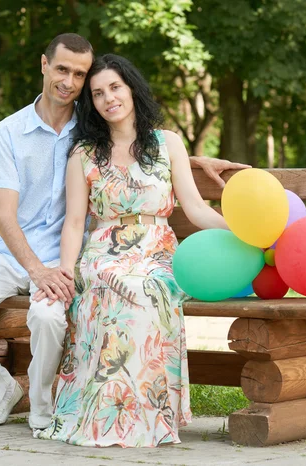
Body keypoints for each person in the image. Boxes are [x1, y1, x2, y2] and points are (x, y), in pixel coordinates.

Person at [0, 34, 248, 433]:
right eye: (63, 69)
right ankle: (2, 393)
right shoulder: (15, 133)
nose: (71, 81)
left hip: (73, 258)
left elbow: (137, 143)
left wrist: (194, 161)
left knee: (50, 319)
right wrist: (40, 272)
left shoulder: (91, 125)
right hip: (16, 256)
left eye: (80, 74)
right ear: (44, 65)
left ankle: (46, 405)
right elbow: (6, 219)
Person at [35, 54, 232, 447]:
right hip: (101, 252)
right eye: (97, 93)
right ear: (91, 103)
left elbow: (194, 208)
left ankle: (146, 413)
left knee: (148, 287)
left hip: (157, 250)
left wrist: (240, 231)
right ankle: (101, 412)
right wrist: (66, 271)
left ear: (131, 88)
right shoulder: (84, 154)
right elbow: (75, 222)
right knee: (110, 284)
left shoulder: (167, 142)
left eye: (115, 87)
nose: (108, 98)